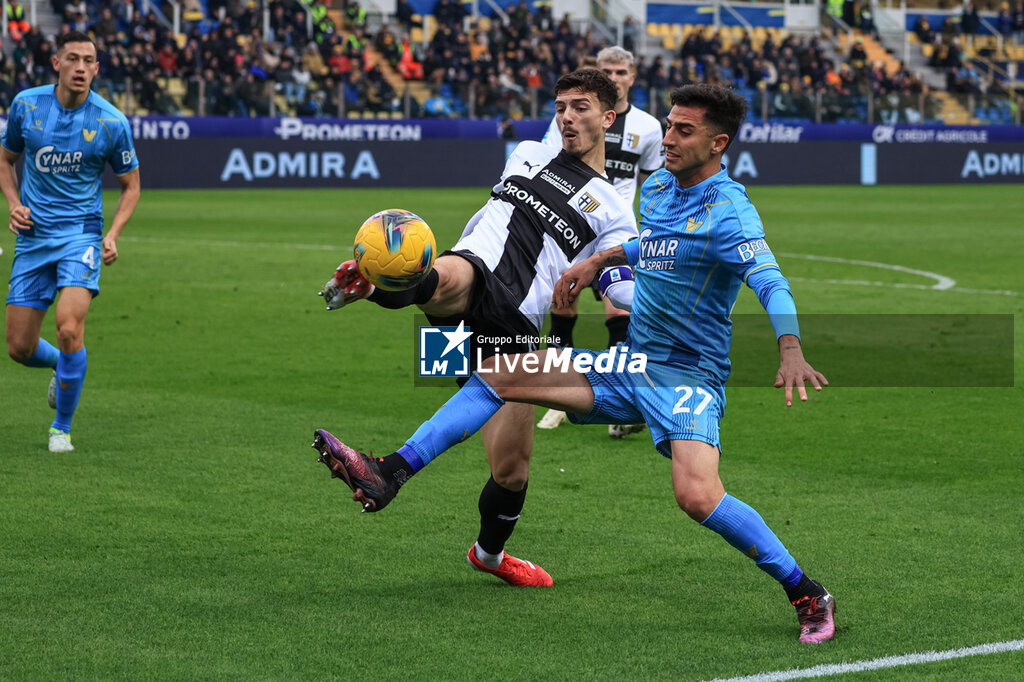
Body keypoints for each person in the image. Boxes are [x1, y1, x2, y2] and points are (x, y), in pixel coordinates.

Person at [312, 84, 836, 644]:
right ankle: (390, 471)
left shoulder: (731, 213)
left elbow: (770, 280)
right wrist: (602, 260)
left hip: (687, 375)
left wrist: (789, 348)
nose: (669, 137)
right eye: (669, 125)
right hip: (630, 361)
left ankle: (806, 590)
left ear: (719, 142)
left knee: (697, 496)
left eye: (684, 130)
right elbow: (652, 244)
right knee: (503, 374)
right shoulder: (658, 187)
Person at [314, 69, 638, 588]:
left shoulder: (616, 212)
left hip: (514, 323)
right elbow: (491, 219)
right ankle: (389, 468)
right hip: (477, 274)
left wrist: (650, 293)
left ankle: (488, 555)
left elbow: (621, 289)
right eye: (560, 106)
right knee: (451, 278)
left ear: (608, 116)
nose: (567, 117)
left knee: (512, 469)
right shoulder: (528, 152)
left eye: (581, 107)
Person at [1, 30, 141, 453]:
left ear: (97, 69)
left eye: (89, 61)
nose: (81, 67)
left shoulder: (111, 121)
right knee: (19, 348)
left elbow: (130, 186)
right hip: (33, 236)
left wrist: (111, 234)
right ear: (57, 63)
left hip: (81, 235)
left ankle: (60, 428)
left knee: (67, 328)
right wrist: (12, 202)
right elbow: (6, 160)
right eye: (73, 59)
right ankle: (63, 366)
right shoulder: (26, 105)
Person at [538, 47, 664, 436]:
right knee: (563, 303)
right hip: (574, 225)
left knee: (618, 311)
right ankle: (557, 396)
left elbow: (654, 182)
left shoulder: (649, 127)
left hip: (615, 232)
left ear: (632, 75)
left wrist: (650, 230)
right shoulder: (576, 116)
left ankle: (618, 400)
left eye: (621, 71)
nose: (614, 76)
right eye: (606, 69)